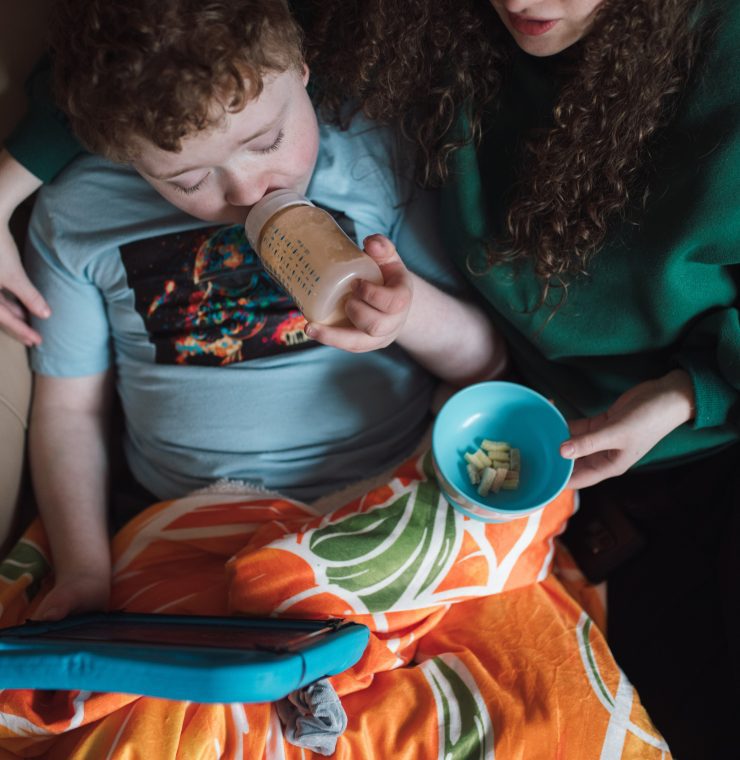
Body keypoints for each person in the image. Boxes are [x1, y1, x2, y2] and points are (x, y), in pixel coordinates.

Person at [304, 0, 740, 755]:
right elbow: (191, 47)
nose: (520, 2)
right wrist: (19, 181)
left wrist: (684, 394)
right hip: (560, 472)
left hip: (713, 442)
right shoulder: (435, 23)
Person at [20, 0, 506, 625]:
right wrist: (84, 572)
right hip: (197, 523)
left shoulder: (372, 154)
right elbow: (69, 411)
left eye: (267, 140)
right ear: (126, 158)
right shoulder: (79, 213)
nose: (249, 191)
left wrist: (407, 313)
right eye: (190, 182)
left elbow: (485, 363)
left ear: (303, 71)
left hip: (386, 497)